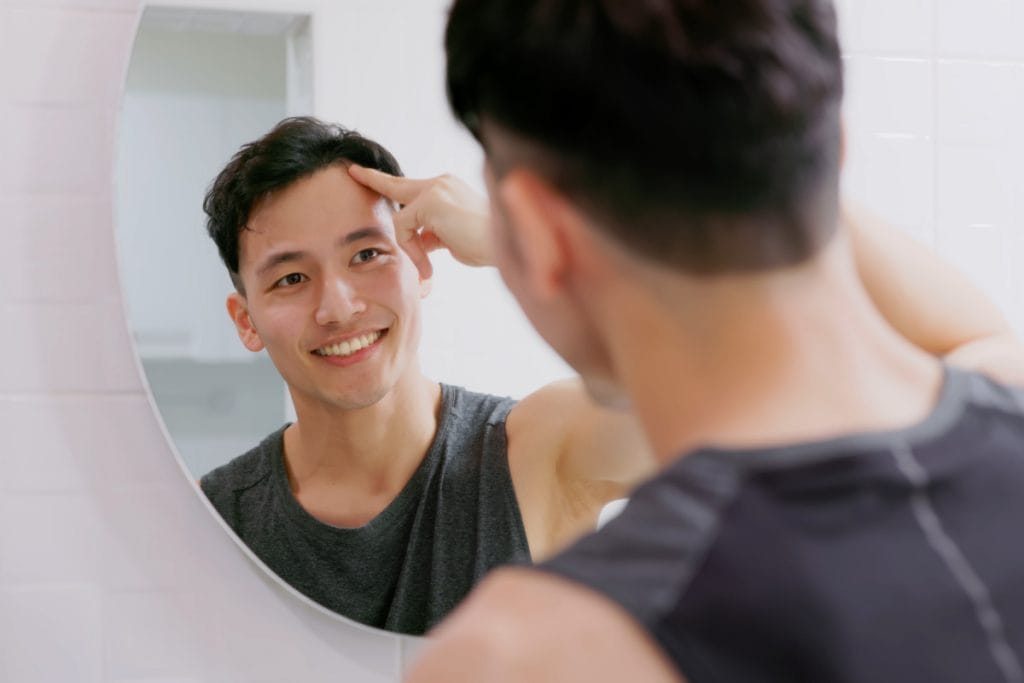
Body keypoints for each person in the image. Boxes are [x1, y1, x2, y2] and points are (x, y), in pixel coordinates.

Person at [405, 0, 1024, 680]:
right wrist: (760, 139)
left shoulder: (532, 653)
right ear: (832, 154)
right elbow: (971, 336)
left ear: (539, 233)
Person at [199, 117, 651, 635]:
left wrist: (513, 244)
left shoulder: (542, 449)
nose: (339, 308)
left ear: (421, 267)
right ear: (245, 321)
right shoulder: (210, 521)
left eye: (367, 254)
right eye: (292, 278)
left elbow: (741, 398)